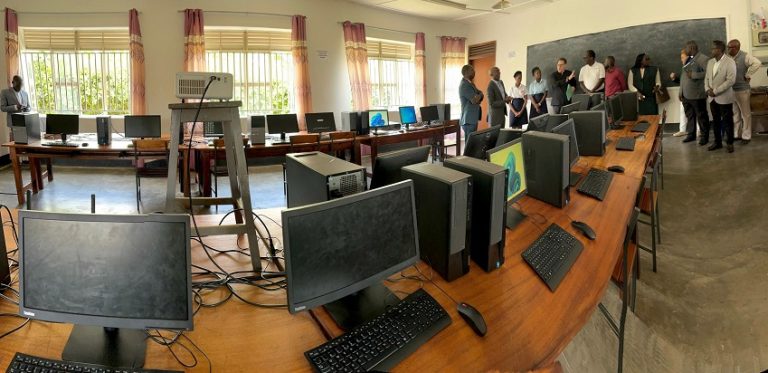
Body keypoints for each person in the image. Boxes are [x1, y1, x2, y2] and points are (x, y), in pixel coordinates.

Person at [672, 40, 710, 145]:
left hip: (697, 95)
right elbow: (684, 78)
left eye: (687, 48)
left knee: (701, 117)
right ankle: (691, 135)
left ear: (692, 48)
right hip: (686, 95)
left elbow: (709, 73)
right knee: (690, 116)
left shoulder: (703, 58)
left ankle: (704, 137)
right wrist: (681, 92)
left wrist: (694, 75)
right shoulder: (688, 59)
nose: (686, 49)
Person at [727, 39, 761, 144]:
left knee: (745, 114)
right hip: (731, 90)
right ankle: (737, 134)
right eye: (728, 47)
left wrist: (748, 74)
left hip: (742, 90)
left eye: (730, 47)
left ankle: (746, 136)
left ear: (736, 48)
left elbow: (757, 63)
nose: (728, 49)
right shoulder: (728, 57)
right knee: (735, 114)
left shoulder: (745, 56)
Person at [705, 40, 737, 153]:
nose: (711, 50)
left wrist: (716, 91)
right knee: (715, 121)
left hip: (724, 97)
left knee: (727, 121)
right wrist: (707, 89)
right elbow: (707, 78)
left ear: (719, 49)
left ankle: (730, 143)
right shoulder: (710, 62)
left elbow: (731, 80)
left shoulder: (730, 62)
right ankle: (717, 142)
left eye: (713, 48)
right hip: (712, 98)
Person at [459, 64, 483, 142]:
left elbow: (480, 94)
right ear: (466, 72)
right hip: (468, 119)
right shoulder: (464, 85)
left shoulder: (470, 84)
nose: (474, 72)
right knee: (469, 144)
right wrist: (480, 95)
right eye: (472, 70)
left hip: (472, 118)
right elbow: (474, 100)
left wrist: (480, 95)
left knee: (472, 143)